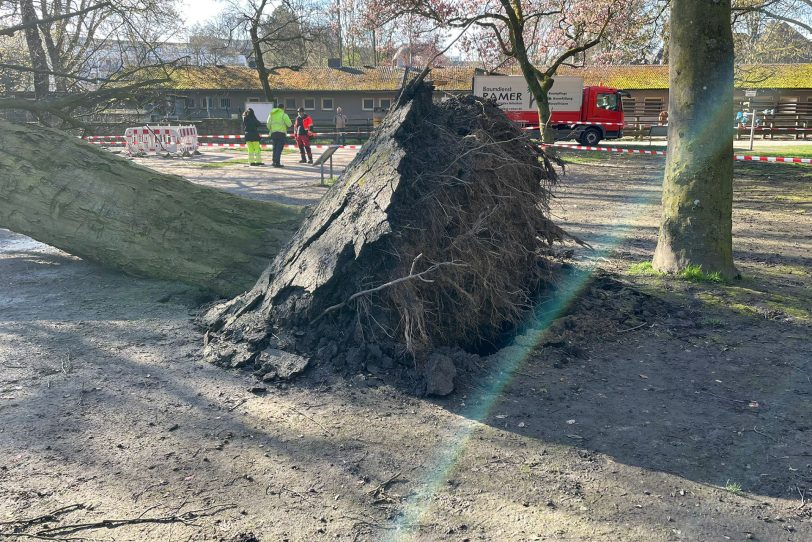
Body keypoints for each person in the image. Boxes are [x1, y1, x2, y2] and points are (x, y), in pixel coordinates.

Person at [266, 103, 292, 168]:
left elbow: (268, 124)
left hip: (273, 133)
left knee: (274, 148)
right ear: (283, 108)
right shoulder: (284, 114)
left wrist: (271, 129)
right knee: (279, 149)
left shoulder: (271, 114)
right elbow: (289, 124)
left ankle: (274, 161)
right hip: (281, 134)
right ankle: (277, 163)